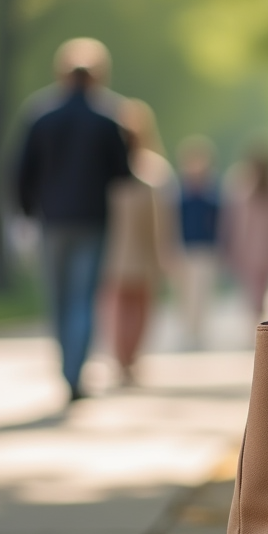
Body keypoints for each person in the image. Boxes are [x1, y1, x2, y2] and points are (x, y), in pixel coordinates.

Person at [14, 38, 131, 402]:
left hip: (53, 221)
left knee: (58, 298)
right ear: (98, 76)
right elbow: (123, 174)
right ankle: (74, 373)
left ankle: (67, 368)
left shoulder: (40, 116)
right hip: (93, 220)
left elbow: (20, 172)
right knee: (83, 298)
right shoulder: (107, 119)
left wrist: (29, 210)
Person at [100, 99, 177, 386]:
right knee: (139, 307)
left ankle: (122, 360)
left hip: (115, 253)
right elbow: (163, 223)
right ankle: (128, 360)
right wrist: (164, 255)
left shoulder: (106, 172)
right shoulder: (154, 171)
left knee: (118, 308)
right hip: (143, 252)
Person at [221, 143, 268, 322]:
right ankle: (259, 322)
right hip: (260, 250)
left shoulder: (252, 186)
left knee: (256, 290)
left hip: (253, 250)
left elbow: (235, 222)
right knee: (259, 291)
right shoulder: (248, 185)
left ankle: (258, 323)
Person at [175, 135, 222, 350]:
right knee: (184, 294)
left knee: (202, 293)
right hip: (184, 249)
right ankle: (187, 332)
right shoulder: (178, 193)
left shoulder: (212, 192)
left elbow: (221, 223)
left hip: (206, 249)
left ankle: (199, 333)